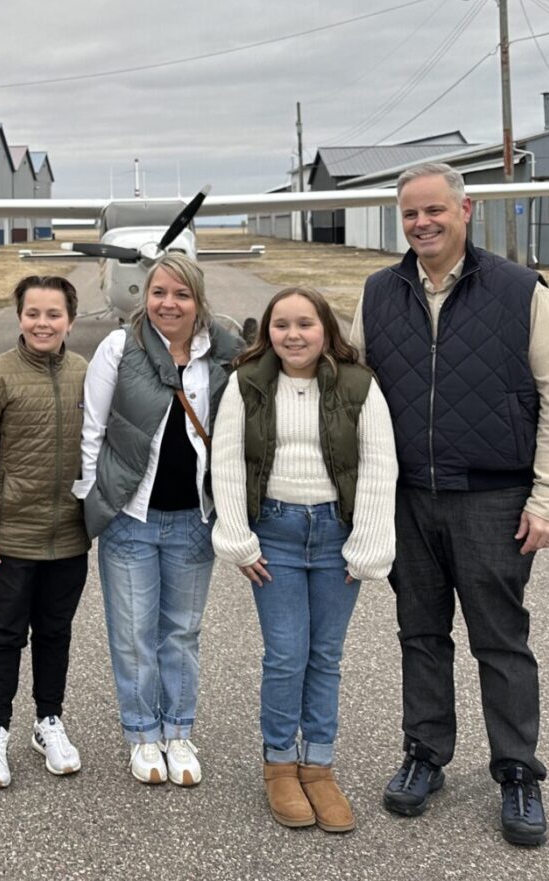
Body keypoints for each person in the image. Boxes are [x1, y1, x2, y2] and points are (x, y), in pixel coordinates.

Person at [350, 162, 549, 848]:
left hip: (492, 494)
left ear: (465, 209)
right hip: (407, 496)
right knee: (420, 634)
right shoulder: (378, 291)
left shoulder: (521, 292)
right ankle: (425, 754)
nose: (421, 223)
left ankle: (518, 770)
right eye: (410, 214)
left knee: (500, 639)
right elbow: (351, 387)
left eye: (434, 211)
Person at [210, 286, 397, 833]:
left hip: (336, 535)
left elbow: (380, 467)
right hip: (277, 535)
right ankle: (279, 767)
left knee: (326, 656)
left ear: (325, 330)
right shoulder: (246, 384)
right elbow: (226, 461)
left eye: (305, 324)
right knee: (286, 655)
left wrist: (366, 544)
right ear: (267, 330)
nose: (293, 335)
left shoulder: (360, 386)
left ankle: (318, 766)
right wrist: (239, 539)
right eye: (281, 324)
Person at [75, 253, 244, 786]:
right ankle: (143, 733)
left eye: (181, 294)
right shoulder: (118, 348)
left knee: (181, 634)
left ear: (198, 301)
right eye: (158, 293)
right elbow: (92, 428)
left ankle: (178, 731)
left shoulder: (224, 351)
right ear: (144, 297)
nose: (168, 304)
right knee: (132, 635)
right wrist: (90, 497)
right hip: (131, 518)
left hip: (194, 520)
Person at [0, 275, 90, 788]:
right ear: (19, 318)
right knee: (6, 634)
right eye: (33, 313)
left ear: (70, 320)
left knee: (56, 633)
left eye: (53, 314)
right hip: (11, 538)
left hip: (70, 537)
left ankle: (48, 721)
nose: (42, 323)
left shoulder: (84, 373)